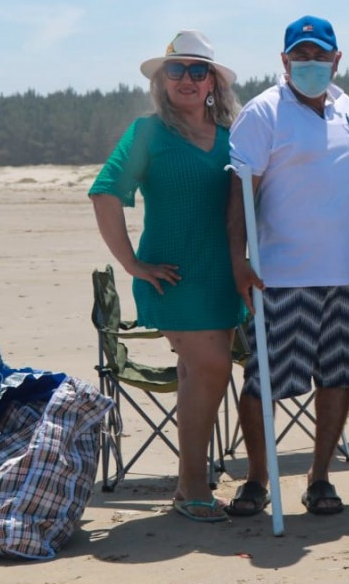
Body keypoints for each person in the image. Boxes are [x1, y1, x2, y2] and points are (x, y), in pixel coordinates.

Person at [89, 30, 243, 522]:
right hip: (172, 278)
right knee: (212, 367)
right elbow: (104, 193)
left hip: (224, 277)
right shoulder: (148, 133)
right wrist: (131, 263)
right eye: (176, 70)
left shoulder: (233, 137)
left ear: (213, 82)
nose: (187, 79)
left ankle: (190, 484)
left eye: (199, 71)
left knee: (201, 373)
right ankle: (192, 487)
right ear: (162, 80)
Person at [225, 15, 349, 516]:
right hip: (281, 276)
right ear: (284, 61)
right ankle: (257, 479)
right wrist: (239, 260)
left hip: (347, 273)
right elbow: (240, 194)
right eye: (301, 56)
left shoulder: (348, 107)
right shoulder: (263, 112)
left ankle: (320, 477)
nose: (311, 63)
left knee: (337, 377)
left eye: (319, 55)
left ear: (336, 59)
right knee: (263, 381)